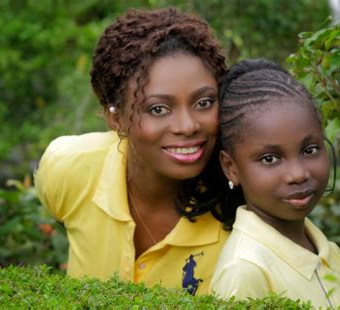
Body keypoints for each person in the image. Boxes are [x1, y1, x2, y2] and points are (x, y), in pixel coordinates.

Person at [34, 7, 230, 295]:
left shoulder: (241, 205)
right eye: (158, 109)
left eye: (203, 103)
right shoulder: (68, 169)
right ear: (116, 118)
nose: (187, 126)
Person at [209, 59, 340, 308]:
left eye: (309, 150)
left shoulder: (329, 253)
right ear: (231, 168)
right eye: (270, 158)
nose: (298, 174)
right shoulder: (245, 271)